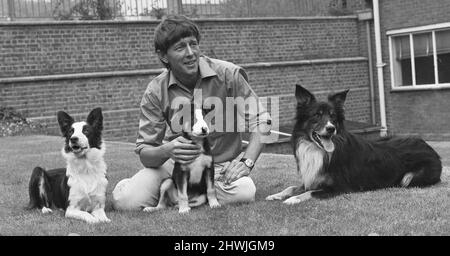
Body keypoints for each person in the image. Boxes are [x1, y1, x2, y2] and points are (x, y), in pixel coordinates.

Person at [112, 15, 272, 211]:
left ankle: (181, 196)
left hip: (219, 169)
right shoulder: (155, 90)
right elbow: (146, 154)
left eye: (193, 44)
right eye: (180, 48)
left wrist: (246, 162)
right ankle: (179, 191)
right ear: (163, 56)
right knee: (125, 201)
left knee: (245, 191)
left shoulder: (228, 75)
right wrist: (167, 150)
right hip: (175, 168)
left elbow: (262, 120)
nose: (190, 53)